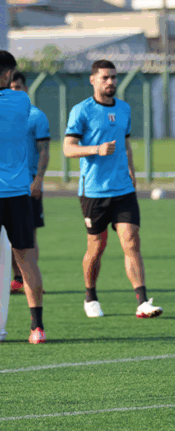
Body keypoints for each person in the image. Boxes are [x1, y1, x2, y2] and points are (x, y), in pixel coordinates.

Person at [63, 60, 163, 319]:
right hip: (94, 192)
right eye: (105, 77)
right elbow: (67, 148)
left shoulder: (124, 109)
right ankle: (90, 295)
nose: (111, 83)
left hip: (123, 189)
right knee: (96, 248)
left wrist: (132, 171)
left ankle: (142, 301)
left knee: (131, 241)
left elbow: (125, 144)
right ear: (93, 79)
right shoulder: (81, 111)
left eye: (114, 78)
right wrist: (96, 149)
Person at [0, 51, 47, 343]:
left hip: (13, 192)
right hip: (18, 193)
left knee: (26, 258)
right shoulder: (22, 101)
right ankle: (36, 327)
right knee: (27, 257)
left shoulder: (17, 100)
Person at [9, 72, 50, 295]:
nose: (15, 91)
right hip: (5, 186)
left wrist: (39, 180)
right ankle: (16, 279)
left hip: (28, 186)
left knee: (28, 236)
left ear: (26, 89)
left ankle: (29, 279)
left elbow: (44, 152)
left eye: (19, 87)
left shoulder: (36, 116)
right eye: (11, 86)